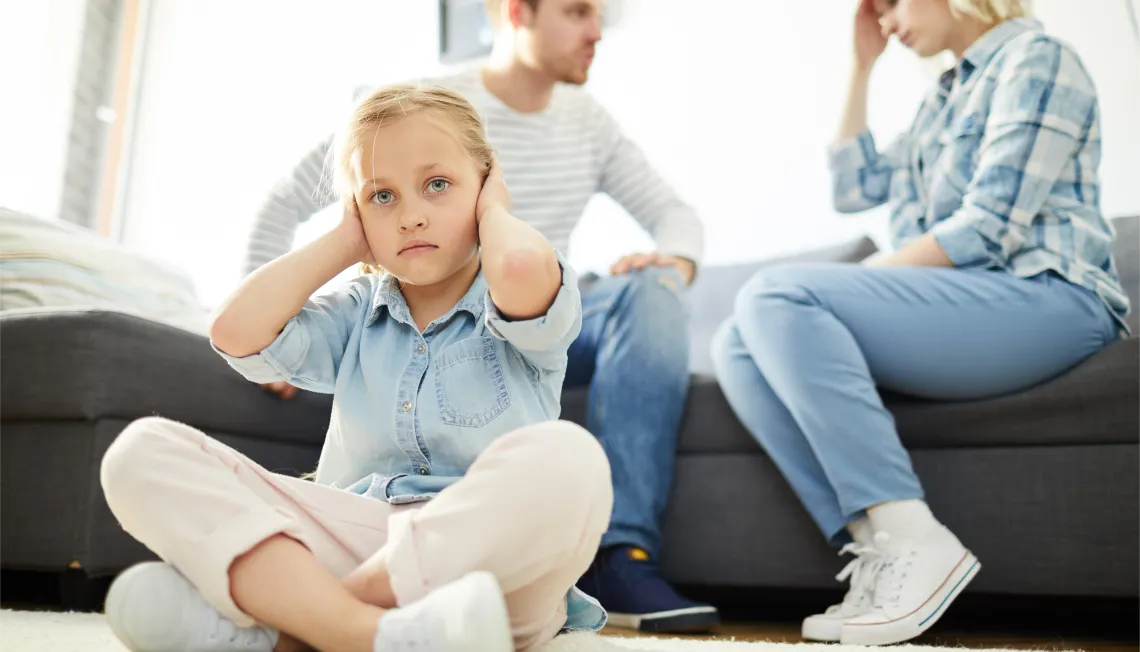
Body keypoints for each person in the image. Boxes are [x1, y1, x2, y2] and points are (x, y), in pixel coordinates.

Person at [243, 0, 718, 634]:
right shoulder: (423, 111)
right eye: (578, 12)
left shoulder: (590, 123)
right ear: (520, 12)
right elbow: (286, 201)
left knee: (653, 290)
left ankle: (622, 552)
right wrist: (284, 320)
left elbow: (677, 217)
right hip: (435, 297)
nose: (596, 30)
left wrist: (670, 261)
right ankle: (365, 590)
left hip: (535, 307)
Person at [100, 84, 615, 652]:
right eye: (383, 196)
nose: (412, 216)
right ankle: (369, 635)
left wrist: (494, 209)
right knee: (138, 451)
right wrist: (346, 241)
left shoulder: (521, 282)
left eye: (437, 185)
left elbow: (517, 264)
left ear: (486, 181)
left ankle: (296, 628)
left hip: (490, 565)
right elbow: (233, 332)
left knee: (573, 458)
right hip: (357, 532)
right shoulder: (356, 311)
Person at [710, 0, 1130, 646]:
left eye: (891, 2)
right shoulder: (942, 98)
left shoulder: (1039, 60)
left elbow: (987, 229)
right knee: (734, 342)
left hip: (1049, 297)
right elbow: (853, 189)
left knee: (776, 295)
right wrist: (860, 66)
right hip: (969, 299)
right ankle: (881, 547)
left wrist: (858, 280)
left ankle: (916, 536)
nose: (885, 20)